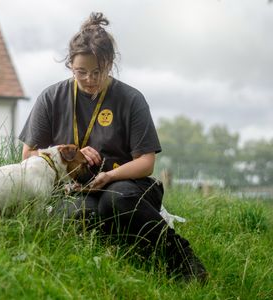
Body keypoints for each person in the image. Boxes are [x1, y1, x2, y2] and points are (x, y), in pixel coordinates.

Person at [18, 12, 208, 283]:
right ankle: (123, 254)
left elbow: (146, 161)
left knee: (115, 201)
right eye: (81, 72)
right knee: (81, 212)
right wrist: (67, 153)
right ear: (70, 65)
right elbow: (28, 155)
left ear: (110, 64)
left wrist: (108, 176)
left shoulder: (131, 99)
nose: (89, 79)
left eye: (98, 71)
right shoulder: (51, 98)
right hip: (73, 189)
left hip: (126, 184)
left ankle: (182, 261)